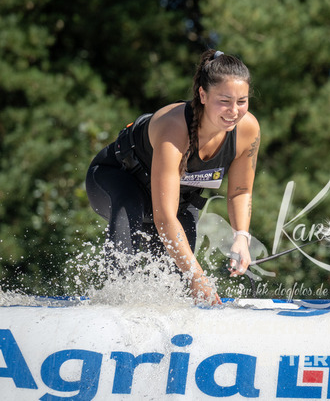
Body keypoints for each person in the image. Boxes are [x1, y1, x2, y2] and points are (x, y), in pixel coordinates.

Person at [85, 50, 259, 305]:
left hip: (179, 202)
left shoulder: (247, 129)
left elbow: (241, 191)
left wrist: (241, 237)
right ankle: (112, 303)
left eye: (242, 101)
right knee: (186, 270)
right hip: (116, 180)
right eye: (225, 101)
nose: (234, 111)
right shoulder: (175, 127)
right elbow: (164, 218)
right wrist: (197, 276)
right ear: (202, 95)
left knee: (176, 285)